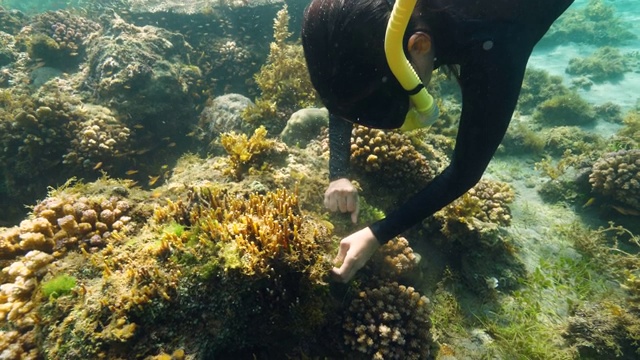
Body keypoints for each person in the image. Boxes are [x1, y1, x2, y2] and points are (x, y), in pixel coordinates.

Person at [301, 0, 574, 282]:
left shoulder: (497, 36)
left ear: (419, 46)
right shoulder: (376, 16)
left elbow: (464, 171)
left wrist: (376, 233)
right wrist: (338, 173)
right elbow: (345, 90)